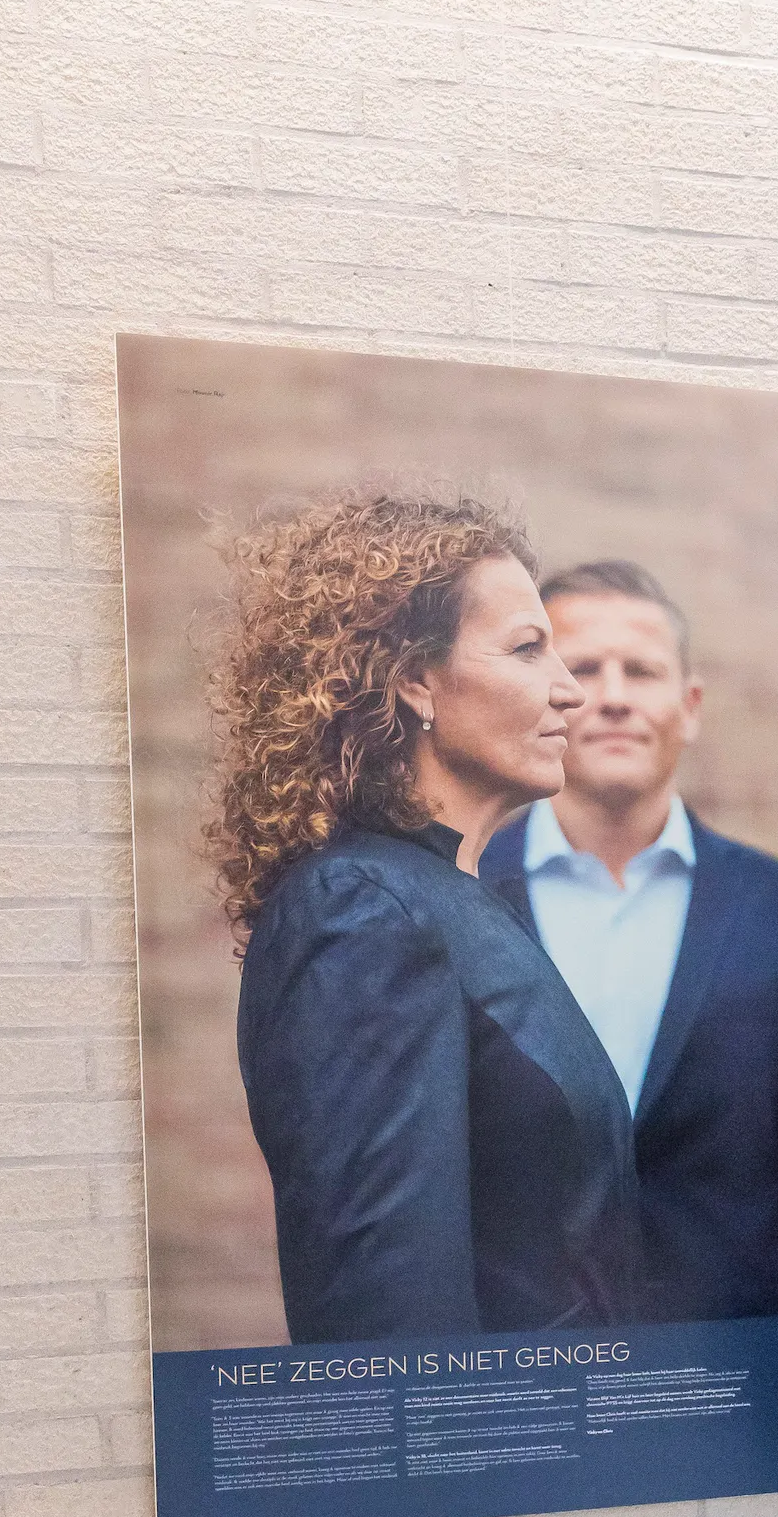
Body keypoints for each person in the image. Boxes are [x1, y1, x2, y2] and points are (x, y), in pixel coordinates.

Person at [213, 493, 640, 1344]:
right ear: (412, 681)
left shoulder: (456, 898)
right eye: (527, 649)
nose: (570, 692)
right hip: (492, 1453)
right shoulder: (361, 908)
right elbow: (383, 1318)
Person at [480, 560, 778, 1324]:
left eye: (641, 670)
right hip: (523, 1375)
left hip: (735, 1374)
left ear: (689, 705)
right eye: (584, 667)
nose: (613, 696)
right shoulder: (454, 899)